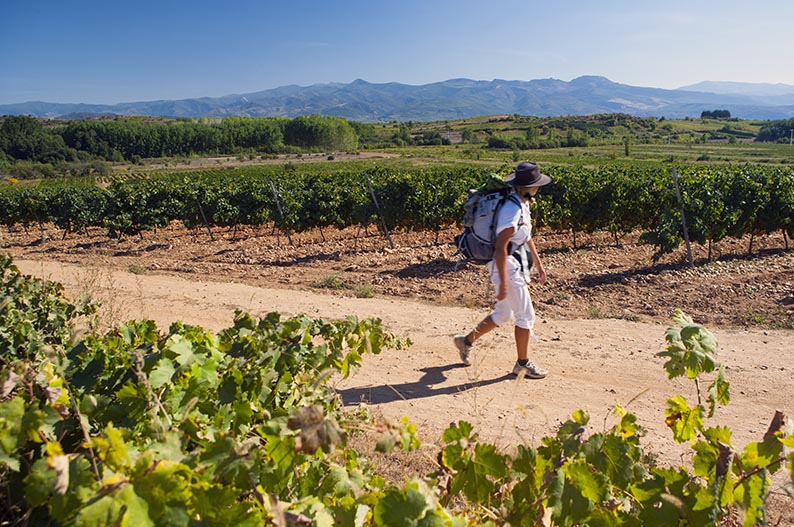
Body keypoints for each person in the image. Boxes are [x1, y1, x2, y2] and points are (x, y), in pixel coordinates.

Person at [454, 161, 551, 378]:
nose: (538, 187)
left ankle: (465, 341)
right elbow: (500, 246)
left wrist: (539, 264)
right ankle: (522, 364)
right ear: (527, 186)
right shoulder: (511, 209)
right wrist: (504, 284)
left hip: (513, 263)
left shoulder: (523, 204)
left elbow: (526, 236)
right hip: (506, 264)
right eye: (536, 184)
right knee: (525, 316)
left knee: (503, 314)